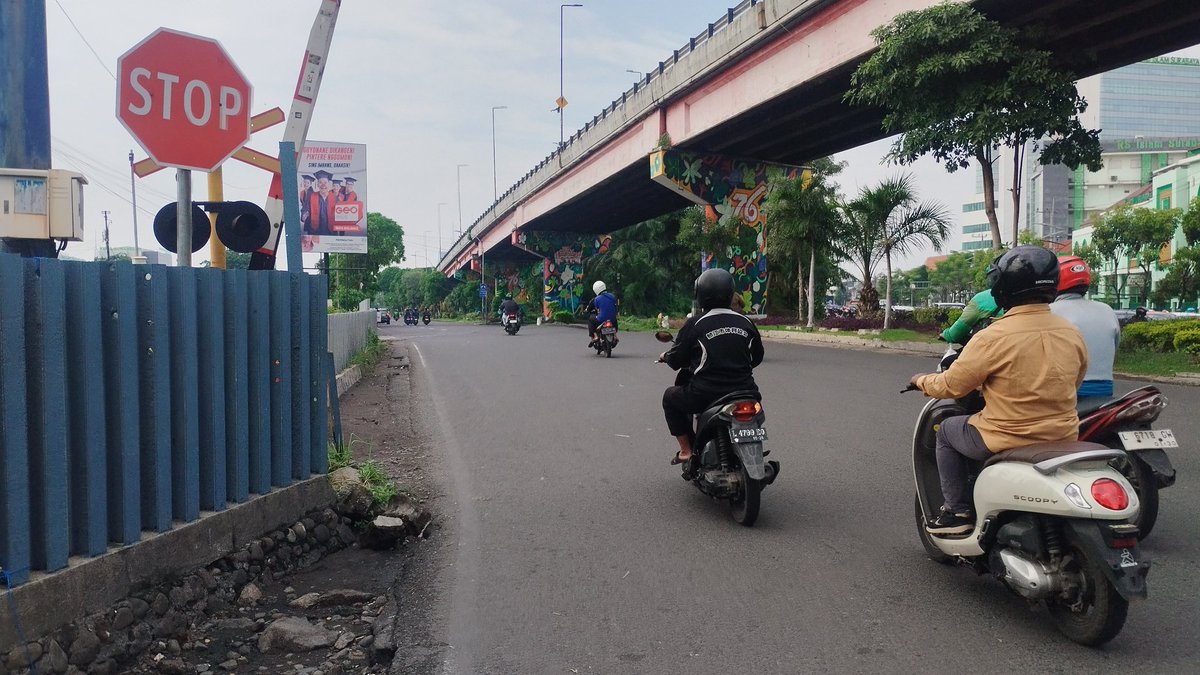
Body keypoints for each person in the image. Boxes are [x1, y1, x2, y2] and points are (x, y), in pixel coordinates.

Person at [910, 246, 1088, 536]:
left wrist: (920, 380)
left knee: (946, 431)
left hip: (1006, 435)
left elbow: (951, 385)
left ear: (1003, 288)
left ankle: (956, 512)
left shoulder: (993, 336)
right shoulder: (1071, 331)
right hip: (1063, 435)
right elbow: (1073, 382)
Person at [661, 268, 764, 465]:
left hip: (705, 394)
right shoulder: (746, 322)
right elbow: (757, 357)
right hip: (746, 393)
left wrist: (667, 356)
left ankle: (686, 451)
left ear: (701, 295)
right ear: (730, 293)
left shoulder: (695, 323)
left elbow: (676, 360)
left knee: (670, 397)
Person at [1050, 256, 1120, 400]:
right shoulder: (1107, 310)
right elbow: (1115, 345)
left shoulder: (1049, 311)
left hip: (1066, 390)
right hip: (1104, 389)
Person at [585, 280, 618, 347]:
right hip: (612, 320)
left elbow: (590, 309)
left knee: (591, 319)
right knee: (614, 319)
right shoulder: (612, 296)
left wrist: (586, 310)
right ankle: (615, 335)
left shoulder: (596, 299)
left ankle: (595, 336)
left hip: (601, 320)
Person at [304, 169, 337, 235]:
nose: (323, 185)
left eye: (325, 182)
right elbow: (305, 209)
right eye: (320, 182)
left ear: (329, 184)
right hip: (314, 231)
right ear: (317, 184)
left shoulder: (336, 198)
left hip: (330, 231)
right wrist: (304, 214)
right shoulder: (311, 196)